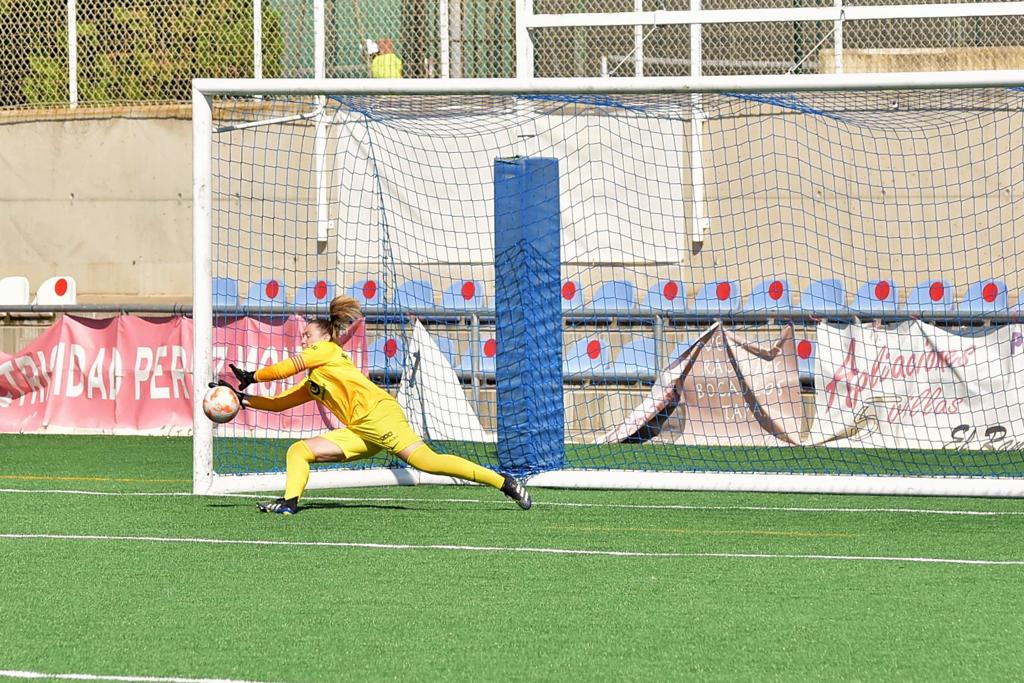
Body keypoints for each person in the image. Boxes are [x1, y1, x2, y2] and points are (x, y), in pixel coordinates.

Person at [212, 295, 531, 515]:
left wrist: (252, 376)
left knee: (428, 462)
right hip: (360, 430)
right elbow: (281, 404)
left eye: (306, 335)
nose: (303, 340)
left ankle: (503, 482)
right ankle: (289, 502)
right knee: (299, 450)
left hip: (380, 416)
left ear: (323, 338)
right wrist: (242, 399)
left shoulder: (327, 352)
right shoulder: (316, 379)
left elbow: (287, 367)